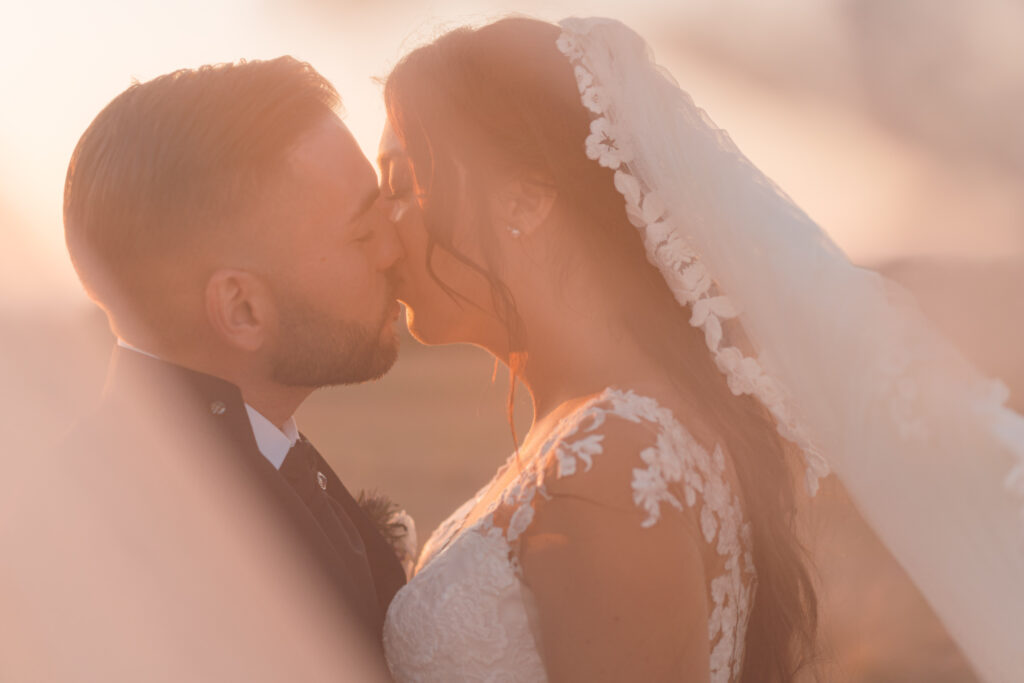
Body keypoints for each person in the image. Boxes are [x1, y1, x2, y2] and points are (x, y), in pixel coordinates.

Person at [377, 16, 1024, 683]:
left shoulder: (612, 464)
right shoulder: (590, 432)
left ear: (526, 198)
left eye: (400, 186)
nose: (379, 227)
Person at [10, 57, 407, 681]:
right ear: (241, 308)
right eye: (363, 234)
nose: (394, 249)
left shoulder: (240, 462)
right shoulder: (103, 556)